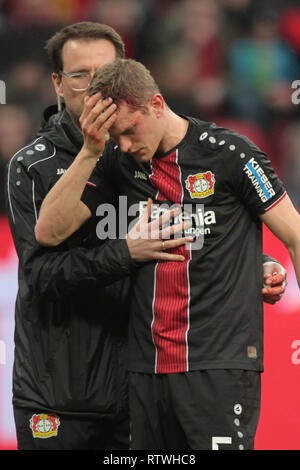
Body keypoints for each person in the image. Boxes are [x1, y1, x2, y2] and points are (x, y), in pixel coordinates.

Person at [35, 58, 298, 450]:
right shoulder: (117, 161)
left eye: (128, 130)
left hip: (218, 364)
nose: (124, 144)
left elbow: (294, 234)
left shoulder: (231, 154)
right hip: (145, 369)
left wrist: (256, 265)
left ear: (156, 105)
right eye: (114, 136)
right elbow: (48, 232)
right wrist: (91, 151)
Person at [5, 23, 193, 451]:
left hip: (140, 387)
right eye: (79, 75)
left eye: (104, 72)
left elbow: (189, 232)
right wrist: (125, 252)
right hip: (56, 395)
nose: (93, 87)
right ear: (57, 83)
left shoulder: (144, 154)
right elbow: (41, 276)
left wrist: (256, 264)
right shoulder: (31, 166)